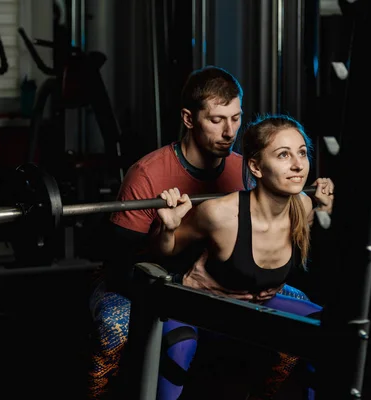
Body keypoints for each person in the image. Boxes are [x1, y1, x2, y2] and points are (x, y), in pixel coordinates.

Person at [87, 66, 334, 399]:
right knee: (116, 332)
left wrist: (319, 209)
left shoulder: (243, 168)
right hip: (143, 279)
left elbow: (270, 226)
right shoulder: (147, 174)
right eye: (217, 120)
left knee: (312, 325)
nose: (229, 131)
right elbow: (119, 261)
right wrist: (176, 259)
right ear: (189, 119)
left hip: (232, 278)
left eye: (236, 118)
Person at [155, 113, 332, 399]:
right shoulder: (219, 215)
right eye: (283, 155)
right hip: (202, 305)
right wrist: (168, 227)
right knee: (180, 343)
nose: (298, 165)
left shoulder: (304, 206)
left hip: (250, 306)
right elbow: (167, 251)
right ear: (256, 166)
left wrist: (328, 213)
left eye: (302, 153)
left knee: (328, 331)